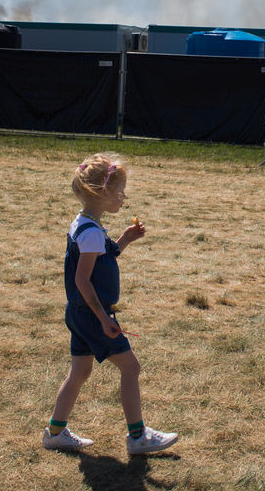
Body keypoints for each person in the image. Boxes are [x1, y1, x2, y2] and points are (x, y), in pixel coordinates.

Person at [42, 153, 179, 456]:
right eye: (120, 191)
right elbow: (83, 280)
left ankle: (54, 432)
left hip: (78, 313)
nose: (124, 197)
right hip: (93, 314)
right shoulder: (91, 232)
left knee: (79, 373)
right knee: (131, 367)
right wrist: (104, 318)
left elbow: (100, 257)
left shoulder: (85, 223)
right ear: (102, 193)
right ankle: (138, 437)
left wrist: (125, 240)